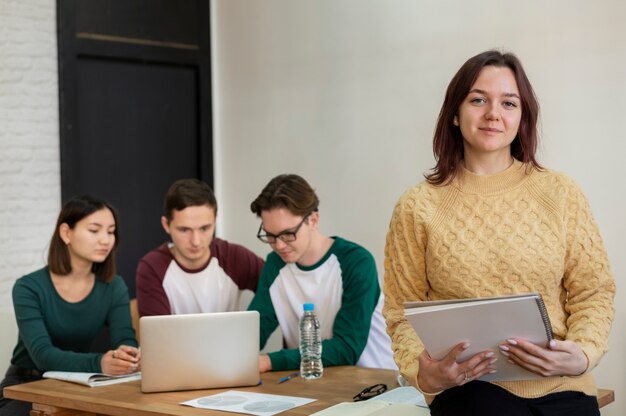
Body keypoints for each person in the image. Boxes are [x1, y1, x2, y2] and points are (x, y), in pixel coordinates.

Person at [383, 50, 615, 416]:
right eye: (478, 100)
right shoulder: (417, 206)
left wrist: (584, 353)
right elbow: (401, 312)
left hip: (563, 388)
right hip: (470, 390)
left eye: (509, 103)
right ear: (455, 114)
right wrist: (423, 373)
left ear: (522, 117)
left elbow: (594, 290)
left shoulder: (560, 192)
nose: (493, 113)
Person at [0, 195, 140, 416]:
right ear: (66, 233)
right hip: (26, 384)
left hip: (79, 384)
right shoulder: (28, 287)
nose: (105, 240)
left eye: (111, 231)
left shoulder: (113, 286)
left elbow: (125, 338)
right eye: (94, 230)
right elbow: (43, 355)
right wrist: (100, 363)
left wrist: (127, 355)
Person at [248, 174, 395, 373]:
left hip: (374, 382)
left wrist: (269, 361)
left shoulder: (356, 262)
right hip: (312, 382)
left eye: (288, 234)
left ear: (313, 220)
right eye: (270, 236)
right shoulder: (275, 265)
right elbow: (253, 332)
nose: (279, 245)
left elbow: (347, 348)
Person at [136, 178, 263, 316]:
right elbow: (158, 335)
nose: (196, 241)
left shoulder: (234, 257)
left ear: (215, 221)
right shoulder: (152, 267)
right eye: (184, 230)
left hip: (230, 338)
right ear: (166, 225)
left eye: (204, 228)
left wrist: (250, 330)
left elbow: (275, 289)